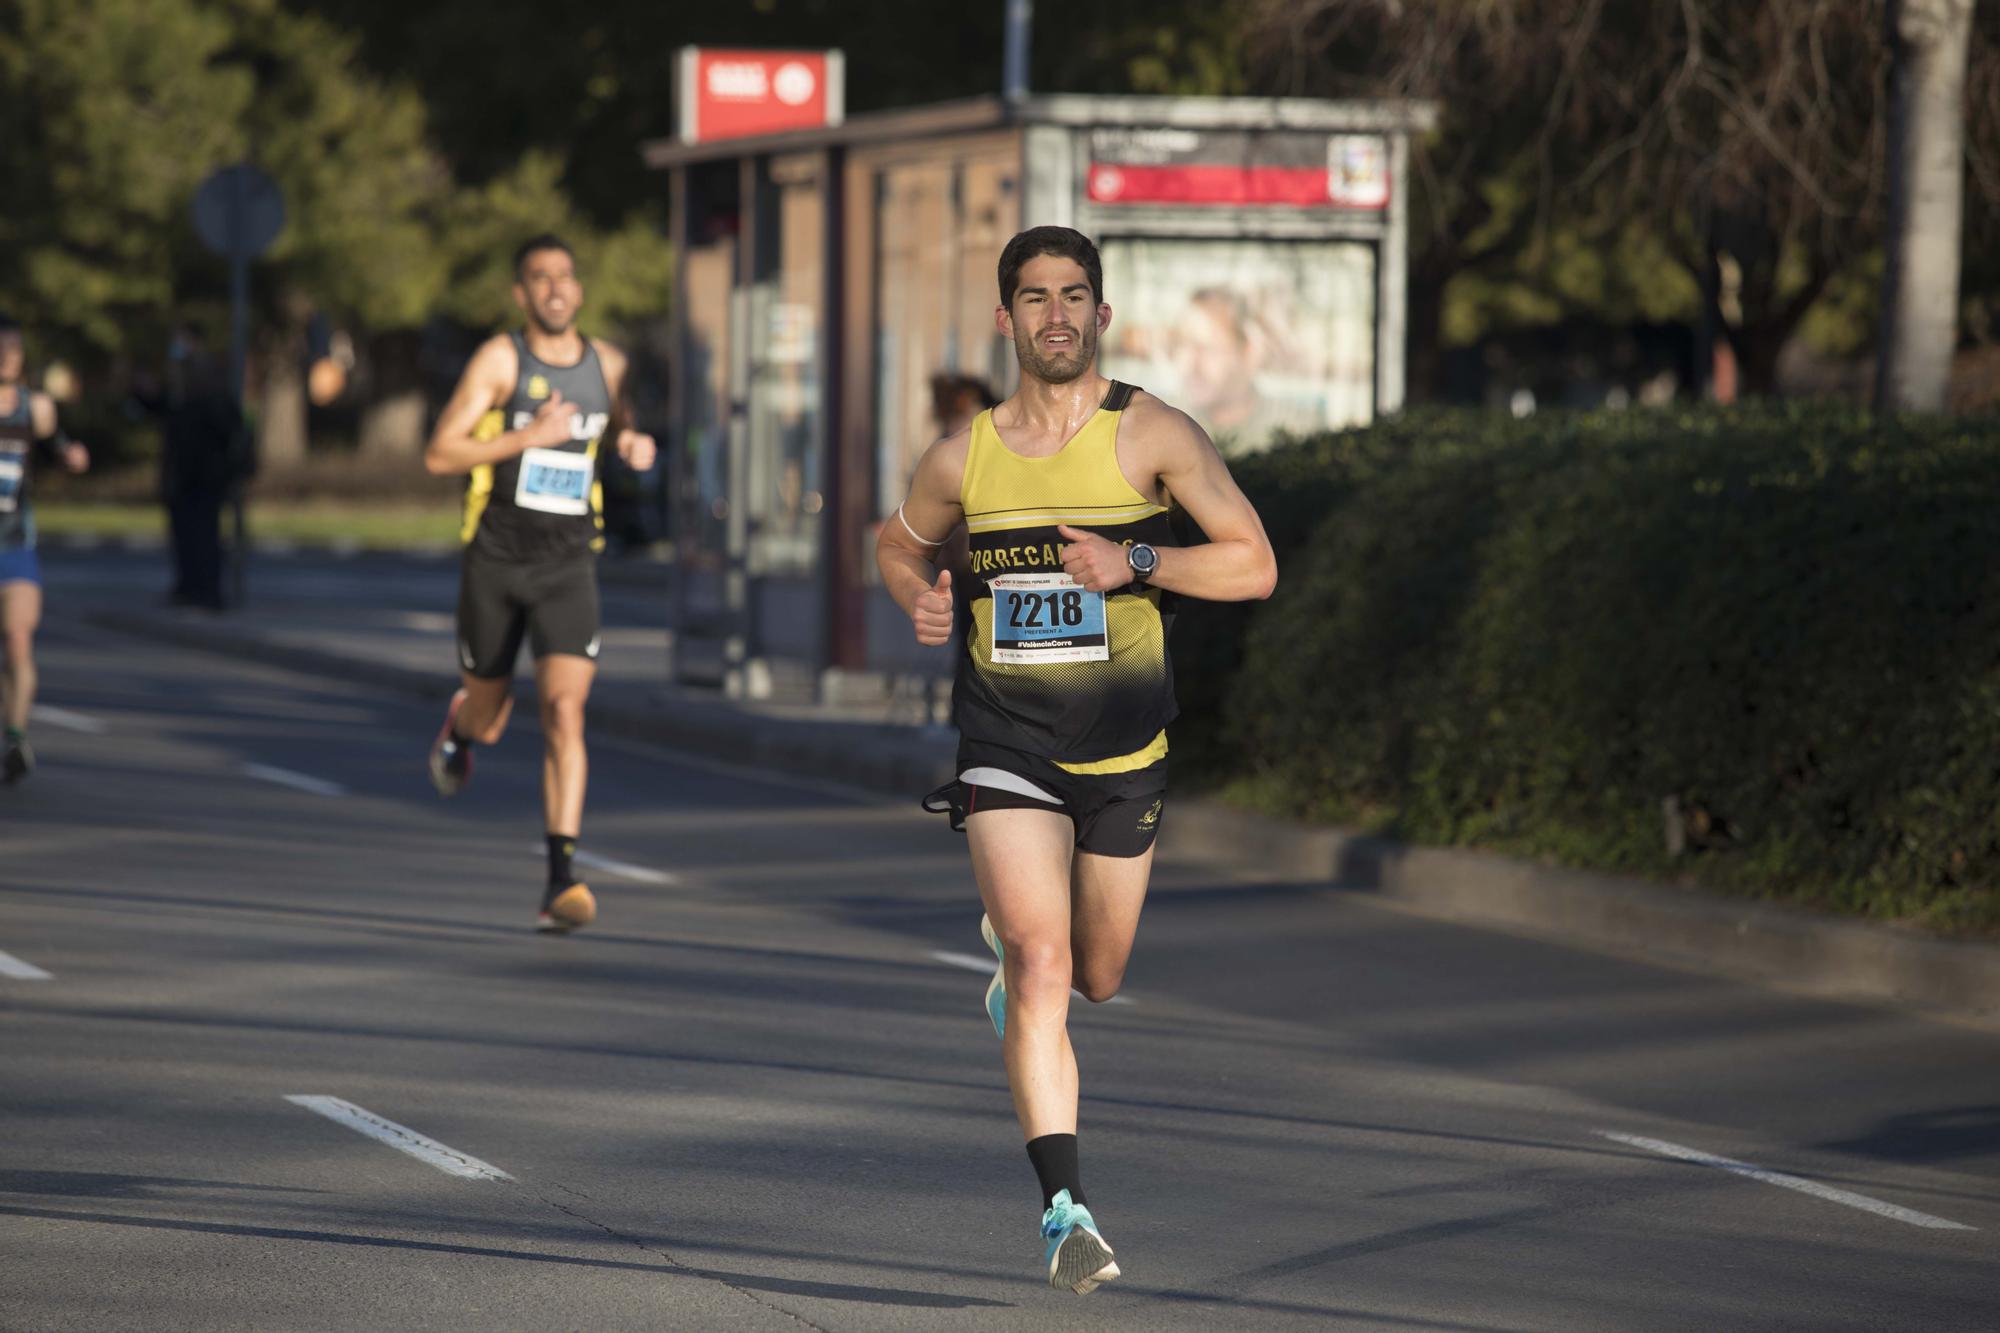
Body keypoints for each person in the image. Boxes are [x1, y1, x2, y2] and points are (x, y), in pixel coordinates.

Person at [877, 227, 1278, 1293]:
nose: (1053, 313)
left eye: (1072, 295)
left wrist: (1132, 557)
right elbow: (896, 538)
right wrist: (913, 593)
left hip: (1125, 751)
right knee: (1039, 956)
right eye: (1032, 296)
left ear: (1099, 315)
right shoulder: (964, 455)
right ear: (1004, 319)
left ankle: (1025, 992)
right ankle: (1065, 1211)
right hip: (1004, 745)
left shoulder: (1153, 433)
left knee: (1093, 976)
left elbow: (1253, 566)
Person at [422, 235, 655, 932]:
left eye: (564, 276)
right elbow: (441, 451)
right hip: (496, 557)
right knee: (491, 714)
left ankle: (561, 877)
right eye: (538, 278)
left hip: (567, 562)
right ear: (521, 295)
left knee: (564, 712)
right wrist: (525, 436)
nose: (554, 288)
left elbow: (617, 424)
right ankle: (461, 728)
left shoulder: (607, 362)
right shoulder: (500, 360)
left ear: (578, 291)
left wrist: (629, 445)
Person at [0, 314, 91, 783]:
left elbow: (56, 444)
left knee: (18, 639)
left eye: (14, 348)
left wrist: (70, 454)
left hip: (16, 540)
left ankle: (15, 737)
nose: (7, 356)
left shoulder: (35, 407)